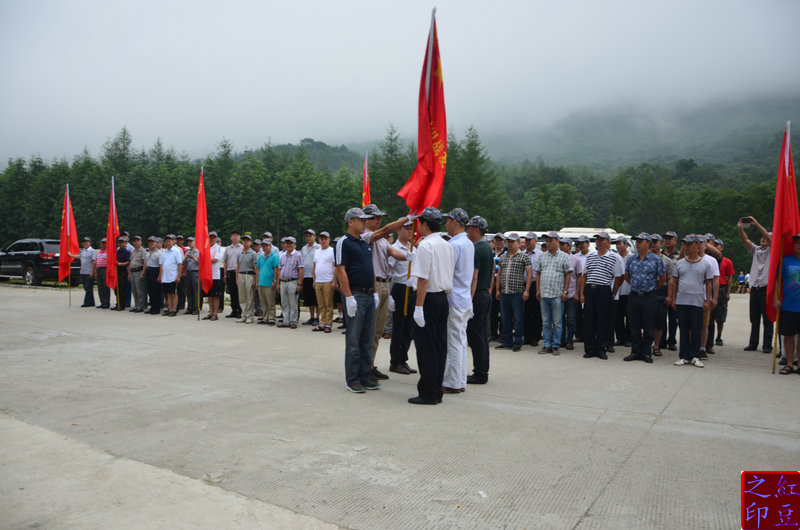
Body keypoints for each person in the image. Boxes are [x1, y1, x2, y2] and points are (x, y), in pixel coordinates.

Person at [408, 207, 454, 405]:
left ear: (425, 225)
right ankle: (436, 390)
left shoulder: (426, 245)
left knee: (426, 348)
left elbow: (423, 280)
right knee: (439, 347)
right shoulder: (446, 244)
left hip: (427, 299)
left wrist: (419, 307)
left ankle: (428, 393)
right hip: (442, 297)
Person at [360, 204, 411, 381]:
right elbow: (386, 230)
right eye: (375, 217)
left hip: (384, 284)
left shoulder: (382, 240)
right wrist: (406, 218)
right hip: (372, 285)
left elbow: (393, 252)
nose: (378, 220)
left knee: (378, 330)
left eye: (379, 217)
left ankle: (371, 365)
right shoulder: (366, 235)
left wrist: (408, 256)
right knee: (369, 330)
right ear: (365, 220)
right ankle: (364, 366)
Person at [335, 207, 380, 393]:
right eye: (361, 220)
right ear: (350, 222)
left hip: (368, 294)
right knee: (354, 340)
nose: (364, 223)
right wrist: (348, 297)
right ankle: (353, 379)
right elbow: (341, 269)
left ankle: (365, 376)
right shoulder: (343, 242)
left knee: (367, 339)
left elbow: (371, 269)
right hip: (355, 295)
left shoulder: (364, 243)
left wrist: (375, 292)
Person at [441, 208, 475, 394]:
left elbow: (447, 274)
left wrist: (445, 295)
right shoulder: (468, 243)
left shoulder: (454, 245)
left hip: (454, 299)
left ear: (454, 222)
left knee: (453, 342)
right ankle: (459, 380)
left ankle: (452, 382)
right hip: (464, 299)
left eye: (448, 221)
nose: (446, 224)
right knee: (460, 342)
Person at [579, 232, 624, 359]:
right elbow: (584, 276)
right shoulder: (590, 256)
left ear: (608, 242)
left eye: (602, 240)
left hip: (604, 291)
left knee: (602, 321)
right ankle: (590, 349)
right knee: (589, 321)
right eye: (597, 240)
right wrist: (582, 293)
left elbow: (619, 277)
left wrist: (613, 293)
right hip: (590, 289)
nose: (598, 242)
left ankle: (601, 348)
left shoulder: (615, 257)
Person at [671, 234, 714, 367]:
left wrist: (708, 300)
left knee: (696, 329)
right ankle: (684, 356)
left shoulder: (705, 263)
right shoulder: (680, 263)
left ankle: (695, 356)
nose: (687, 247)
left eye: (689, 244)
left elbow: (709, 283)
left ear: (697, 245)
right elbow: (675, 282)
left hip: (697, 301)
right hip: (682, 301)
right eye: (685, 244)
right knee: (684, 329)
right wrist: (674, 299)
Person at [624, 233, 665, 363]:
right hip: (634, 295)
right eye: (636, 241)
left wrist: (653, 287)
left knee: (648, 325)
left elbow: (662, 277)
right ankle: (635, 351)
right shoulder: (631, 259)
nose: (637, 244)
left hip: (649, 296)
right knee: (634, 325)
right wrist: (636, 285)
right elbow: (627, 276)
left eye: (640, 241)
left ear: (648, 243)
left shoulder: (656, 260)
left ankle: (646, 352)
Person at [738, 216, 773, 353]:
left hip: (766, 288)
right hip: (755, 288)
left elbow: (770, 240)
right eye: (762, 237)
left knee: (767, 319)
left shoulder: (772, 251)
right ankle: (753, 343)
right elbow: (746, 240)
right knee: (754, 319)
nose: (763, 238)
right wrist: (740, 229)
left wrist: (756, 224)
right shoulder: (756, 250)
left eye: (766, 237)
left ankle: (767, 345)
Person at [387, 220, 418, 375]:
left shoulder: (413, 248)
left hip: (412, 289)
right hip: (400, 288)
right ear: (398, 230)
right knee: (399, 327)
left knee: (408, 328)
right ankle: (395, 362)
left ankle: (403, 359)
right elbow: (387, 271)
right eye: (406, 228)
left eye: (411, 228)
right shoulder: (394, 248)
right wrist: (389, 294)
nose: (409, 231)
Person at [466, 216, 494, 384]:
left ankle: (480, 373)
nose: (467, 231)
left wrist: (469, 300)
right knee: (482, 335)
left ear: (476, 230)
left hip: (477, 295)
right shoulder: (487, 248)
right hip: (484, 294)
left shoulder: (476, 249)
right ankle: (482, 371)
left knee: (476, 336)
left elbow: (474, 277)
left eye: (469, 228)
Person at [535, 231, 573, 355]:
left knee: (557, 322)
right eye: (547, 241)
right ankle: (547, 344)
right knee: (546, 322)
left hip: (557, 294)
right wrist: (538, 290)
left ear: (557, 241)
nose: (548, 243)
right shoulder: (542, 256)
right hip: (544, 293)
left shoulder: (564, 256)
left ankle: (556, 345)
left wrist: (565, 291)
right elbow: (538, 274)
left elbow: (568, 274)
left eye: (551, 241)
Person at [495, 233, 532, 352]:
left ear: (518, 243)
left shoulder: (524, 257)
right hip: (504, 292)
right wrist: (497, 290)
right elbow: (499, 274)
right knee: (505, 319)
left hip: (517, 292)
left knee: (518, 319)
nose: (510, 244)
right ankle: (506, 341)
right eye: (508, 242)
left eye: (512, 242)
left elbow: (529, 274)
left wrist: (527, 291)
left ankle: (517, 342)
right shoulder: (503, 257)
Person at [775, 233, 800, 374]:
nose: (798, 245)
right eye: (796, 243)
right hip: (789, 304)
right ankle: (789, 363)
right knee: (788, 335)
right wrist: (776, 298)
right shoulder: (786, 261)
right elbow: (777, 280)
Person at [650, 234, 674, 357]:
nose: (653, 244)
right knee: (647, 320)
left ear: (661, 244)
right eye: (651, 242)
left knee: (659, 321)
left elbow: (670, 279)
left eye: (656, 242)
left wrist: (670, 295)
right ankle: (646, 344)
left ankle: (657, 346)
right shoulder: (644, 258)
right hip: (648, 291)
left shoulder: (667, 261)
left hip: (661, 292)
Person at [559, 237, 582, 350]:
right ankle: (561, 339)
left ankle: (570, 340)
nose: (561, 246)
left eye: (563, 244)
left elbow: (579, 278)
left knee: (571, 319)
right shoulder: (557, 258)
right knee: (559, 319)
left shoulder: (576, 260)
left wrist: (577, 293)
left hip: (571, 293)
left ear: (569, 246)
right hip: (559, 293)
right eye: (560, 244)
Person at [277, 236, 303, 328]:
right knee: (284, 303)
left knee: (293, 302)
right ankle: (286, 321)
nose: (288, 245)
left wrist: (300, 284)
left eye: (290, 243)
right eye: (287, 243)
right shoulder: (283, 255)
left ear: (295, 245)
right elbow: (280, 269)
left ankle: (293, 321)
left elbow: (300, 270)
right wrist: (278, 283)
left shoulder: (298, 255)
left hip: (293, 281)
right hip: (283, 282)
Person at [312, 231, 335, 333]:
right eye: (322, 239)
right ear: (319, 240)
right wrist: (314, 280)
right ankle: (322, 323)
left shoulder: (332, 251)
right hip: (318, 281)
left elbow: (336, 267)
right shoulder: (317, 252)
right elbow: (314, 266)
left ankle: (328, 324)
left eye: (325, 239)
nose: (323, 241)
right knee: (321, 304)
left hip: (328, 281)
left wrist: (334, 281)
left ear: (329, 240)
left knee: (328, 304)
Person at [661, 231, 680, 351]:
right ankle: (661, 340)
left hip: (675, 289)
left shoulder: (680, 256)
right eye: (666, 238)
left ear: (675, 241)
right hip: (662, 288)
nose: (667, 240)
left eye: (670, 238)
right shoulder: (660, 254)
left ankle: (672, 340)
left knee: (673, 318)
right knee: (661, 317)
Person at [523, 233, 543, 347]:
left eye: (530, 240)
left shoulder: (541, 255)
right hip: (524, 284)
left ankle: (535, 337)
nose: (528, 242)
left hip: (536, 284)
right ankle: (527, 336)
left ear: (535, 241)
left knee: (536, 312)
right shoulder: (522, 254)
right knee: (525, 312)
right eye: (526, 240)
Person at [613, 236, 632, 348]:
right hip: (617, 292)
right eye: (616, 244)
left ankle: (628, 338)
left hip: (628, 291)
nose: (618, 246)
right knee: (618, 316)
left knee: (629, 316)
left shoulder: (632, 257)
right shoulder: (615, 257)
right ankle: (620, 337)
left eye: (620, 243)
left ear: (626, 244)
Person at [255, 239, 280, 325]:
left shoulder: (274, 256)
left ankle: (272, 318)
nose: (265, 247)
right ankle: (265, 318)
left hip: (269, 283)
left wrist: (274, 281)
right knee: (263, 302)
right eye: (263, 246)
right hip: (261, 282)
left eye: (266, 246)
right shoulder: (261, 257)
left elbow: (276, 269)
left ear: (270, 246)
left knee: (270, 302)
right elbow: (258, 270)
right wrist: (257, 281)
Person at [158, 234, 183, 317]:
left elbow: (179, 264)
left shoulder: (176, 251)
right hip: (165, 277)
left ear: (173, 242)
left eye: (169, 241)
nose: (168, 243)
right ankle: (170, 308)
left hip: (173, 276)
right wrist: (160, 276)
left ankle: (174, 310)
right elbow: (161, 265)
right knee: (168, 293)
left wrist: (178, 276)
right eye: (166, 241)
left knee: (174, 293)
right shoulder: (164, 252)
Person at [236, 234, 258, 323]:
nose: (245, 242)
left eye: (247, 241)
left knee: (249, 297)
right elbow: (237, 267)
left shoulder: (253, 254)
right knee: (242, 297)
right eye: (244, 240)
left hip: (249, 275)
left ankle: (250, 316)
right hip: (241, 275)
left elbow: (256, 268)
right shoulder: (239, 253)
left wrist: (255, 280)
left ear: (250, 242)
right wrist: (237, 278)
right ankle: (244, 315)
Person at [301, 229, 321, 326]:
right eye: (307, 236)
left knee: (316, 298)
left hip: (315, 276)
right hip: (306, 275)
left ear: (315, 236)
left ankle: (317, 318)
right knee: (308, 298)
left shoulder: (318, 247)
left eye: (310, 235)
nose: (308, 238)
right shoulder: (303, 248)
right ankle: (311, 317)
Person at [202, 231, 223, 321]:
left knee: (215, 295)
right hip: (207, 274)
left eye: (214, 237)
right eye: (210, 237)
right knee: (209, 295)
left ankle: (215, 313)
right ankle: (210, 312)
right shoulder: (206, 247)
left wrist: (205, 260)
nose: (212, 239)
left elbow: (215, 259)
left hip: (215, 275)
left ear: (216, 238)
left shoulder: (218, 248)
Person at [222, 230, 243, 319]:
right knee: (232, 292)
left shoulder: (242, 248)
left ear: (239, 237)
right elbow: (225, 261)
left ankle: (240, 310)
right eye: (233, 235)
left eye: (237, 235)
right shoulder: (227, 248)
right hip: (230, 272)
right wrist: (225, 274)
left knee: (239, 292)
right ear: (231, 237)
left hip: (239, 272)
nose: (235, 237)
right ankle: (234, 310)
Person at [71, 236, 97, 307]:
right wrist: (70, 255)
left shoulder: (92, 251)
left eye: (86, 242)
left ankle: (87, 302)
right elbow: (79, 256)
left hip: (89, 271)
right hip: (83, 271)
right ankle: (91, 302)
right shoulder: (83, 251)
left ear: (90, 243)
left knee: (88, 287)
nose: (85, 243)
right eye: (83, 242)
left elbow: (94, 262)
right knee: (86, 288)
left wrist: (93, 271)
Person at [489, 233, 506, 341]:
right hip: (491, 284)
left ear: (504, 242)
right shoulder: (490, 254)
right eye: (496, 240)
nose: (498, 242)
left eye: (500, 240)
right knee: (492, 311)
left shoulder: (506, 254)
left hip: (502, 285)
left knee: (503, 311)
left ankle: (502, 334)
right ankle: (493, 333)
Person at [128, 235, 148, 313]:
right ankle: (136, 305)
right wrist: (129, 273)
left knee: (140, 290)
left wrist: (143, 273)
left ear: (141, 242)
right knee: (134, 290)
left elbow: (144, 263)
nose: (136, 242)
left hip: (139, 271)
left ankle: (141, 306)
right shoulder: (133, 251)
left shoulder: (143, 251)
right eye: (135, 241)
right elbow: (130, 262)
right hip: (132, 271)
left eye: (138, 241)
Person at [145, 236, 162, 314]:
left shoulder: (159, 253)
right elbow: (145, 263)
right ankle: (152, 307)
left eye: (152, 242)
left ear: (156, 243)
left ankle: (156, 308)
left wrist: (160, 276)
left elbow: (161, 265)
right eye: (149, 242)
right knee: (150, 290)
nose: (151, 243)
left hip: (155, 271)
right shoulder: (147, 252)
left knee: (156, 291)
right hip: (148, 271)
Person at [183, 236, 200, 315]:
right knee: (189, 291)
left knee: (196, 291)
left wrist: (194, 258)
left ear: (195, 242)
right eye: (188, 242)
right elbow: (183, 263)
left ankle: (196, 308)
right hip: (188, 272)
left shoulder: (198, 252)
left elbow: (201, 263)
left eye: (191, 241)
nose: (190, 243)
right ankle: (189, 308)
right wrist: (185, 259)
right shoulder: (187, 252)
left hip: (196, 272)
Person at [114, 236, 131, 310]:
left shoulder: (127, 252)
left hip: (123, 272)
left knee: (122, 289)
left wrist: (119, 264)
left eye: (122, 242)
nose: (120, 244)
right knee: (116, 289)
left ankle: (122, 304)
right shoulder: (116, 252)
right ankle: (118, 303)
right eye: (119, 242)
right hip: (116, 272)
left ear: (125, 243)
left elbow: (128, 262)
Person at [92, 238, 110, 309]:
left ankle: (106, 303)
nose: (103, 244)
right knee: (100, 287)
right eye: (102, 243)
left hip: (105, 269)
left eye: (105, 243)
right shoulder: (98, 252)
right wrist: (95, 271)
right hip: (99, 270)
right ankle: (102, 302)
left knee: (105, 287)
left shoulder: (108, 252)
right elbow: (95, 262)